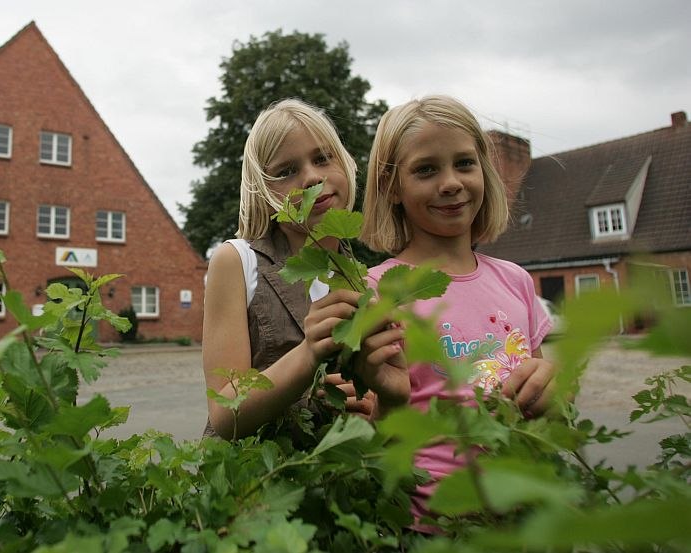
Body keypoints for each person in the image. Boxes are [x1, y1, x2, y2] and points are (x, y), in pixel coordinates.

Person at [358, 94, 556, 528]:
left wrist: (553, 391)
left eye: (464, 163)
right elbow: (372, 438)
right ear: (392, 186)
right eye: (426, 169)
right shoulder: (376, 291)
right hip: (434, 522)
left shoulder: (515, 280)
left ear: (483, 171)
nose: (450, 182)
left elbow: (540, 398)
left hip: (526, 511)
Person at [202, 98, 410, 440]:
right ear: (265, 190)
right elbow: (225, 415)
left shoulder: (368, 281)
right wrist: (308, 356)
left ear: (345, 163)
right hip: (259, 484)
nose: (312, 177)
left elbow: (383, 437)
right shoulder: (238, 260)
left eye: (323, 158)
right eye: (286, 172)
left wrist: (383, 404)